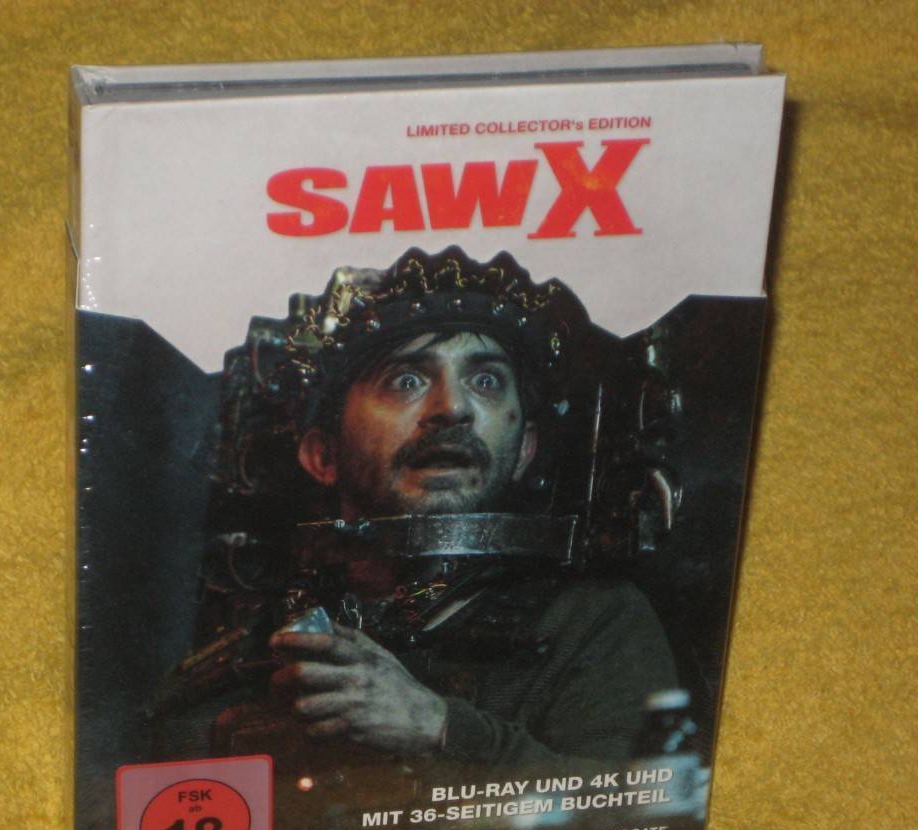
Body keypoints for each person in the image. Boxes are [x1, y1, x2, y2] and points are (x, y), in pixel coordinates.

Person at [257, 246, 678, 768]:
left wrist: (440, 730)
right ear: (323, 455)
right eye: (407, 380)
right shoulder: (267, 632)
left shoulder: (591, 623)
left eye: (486, 381)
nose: (453, 408)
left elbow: (635, 805)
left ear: (524, 449)